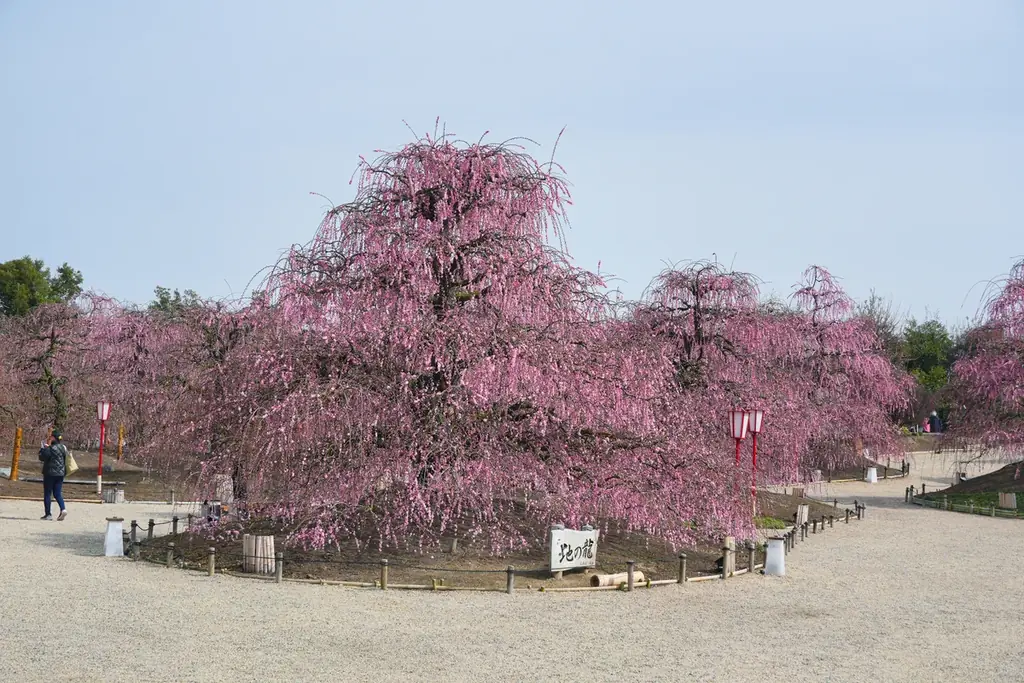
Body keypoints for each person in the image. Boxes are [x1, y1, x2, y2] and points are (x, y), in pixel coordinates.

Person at [38, 430, 68, 521]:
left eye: (51, 436)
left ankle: (48, 514)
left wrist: (43, 449)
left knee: (48, 493)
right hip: (60, 473)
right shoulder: (63, 448)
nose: (50, 438)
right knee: (57, 493)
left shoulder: (49, 449)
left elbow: (42, 457)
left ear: (54, 438)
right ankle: (63, 509)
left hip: (50, 473)